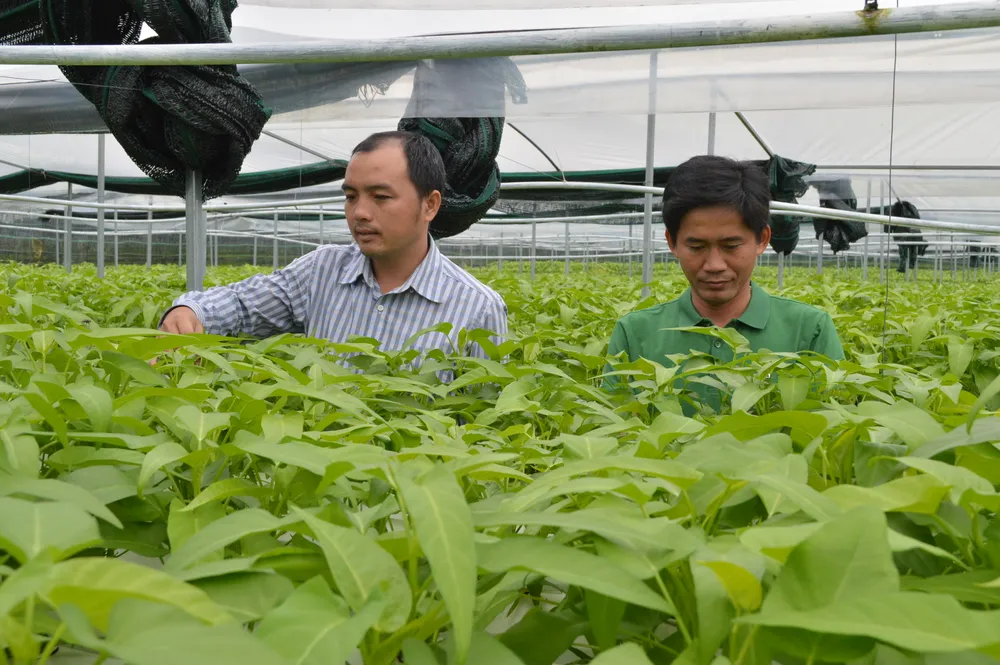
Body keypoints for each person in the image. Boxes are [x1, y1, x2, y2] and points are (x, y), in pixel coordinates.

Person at [159, 130, 508, 364]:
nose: (360, 213)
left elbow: (486, 428)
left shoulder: (477, 308)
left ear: (430, 205)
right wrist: (191, 312)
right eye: (351, 197)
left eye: (380, 197)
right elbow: (242, 304)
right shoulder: (322, 270)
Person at [606, 155, 844, 409]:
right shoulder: (634, 334)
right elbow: (615, 434)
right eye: (696, 246)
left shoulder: (809, 331)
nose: (714, 265)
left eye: (731, 246)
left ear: (762, 239)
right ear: (672, 242)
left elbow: (833, 430)